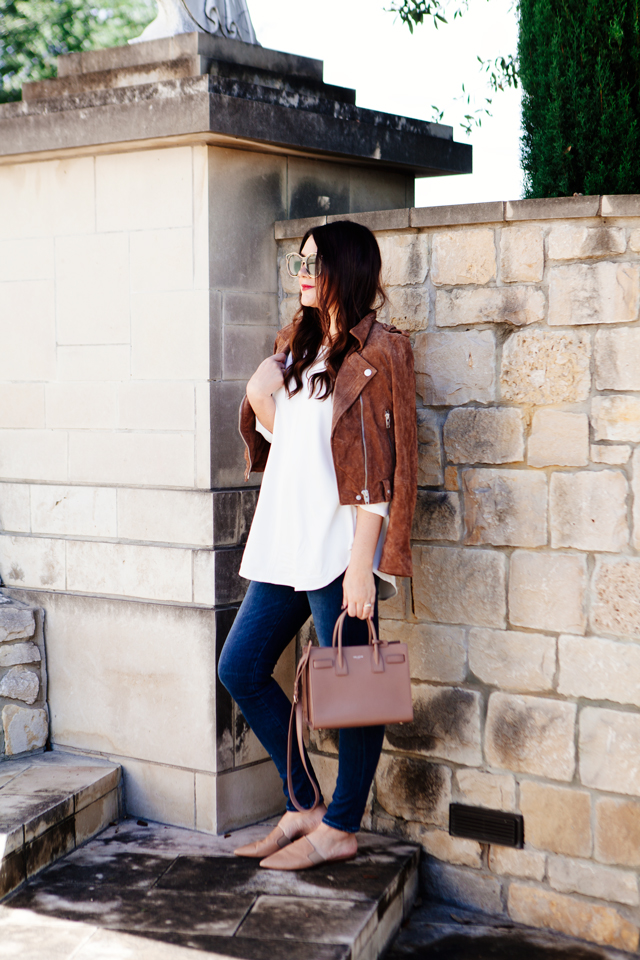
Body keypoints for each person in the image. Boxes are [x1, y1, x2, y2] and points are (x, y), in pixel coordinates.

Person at [218, 219, 417, 871]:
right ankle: (303, 801)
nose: (301, 270)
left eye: (313, 260)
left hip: (338, 549)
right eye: (298, 260)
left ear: (347, 268)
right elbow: (297, 445)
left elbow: (381, 467)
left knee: (356, 690)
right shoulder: (299, 347)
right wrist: (259, 390)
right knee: (241, 667)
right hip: (287, 542)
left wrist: (364, 565)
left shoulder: (379, 350)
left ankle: (338, 827)